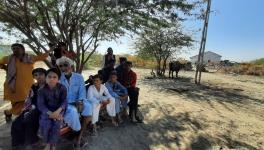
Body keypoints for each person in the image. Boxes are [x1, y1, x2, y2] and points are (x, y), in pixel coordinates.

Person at [0, 43, 50, 122]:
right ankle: (11, 113)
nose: (15, 50)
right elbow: (0, 62)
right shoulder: (8, 58)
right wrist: (5, 68)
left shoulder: (30, 58)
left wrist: (50, 49)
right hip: (13, 87)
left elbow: (42, 56)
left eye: (17, 48)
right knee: (18, 105)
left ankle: (9, 112)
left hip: (28, 86)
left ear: (23, 49)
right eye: (13, 49)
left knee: (27, 102)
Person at [56, 56, 92, 147]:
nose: (63, 68)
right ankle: (78, 137)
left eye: (65, 65)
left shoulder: (79, 77)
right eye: (60, 66)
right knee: (73, 112)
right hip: (66, 103)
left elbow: (82, 91)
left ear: (71, 66)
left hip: (78, 100)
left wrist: (80, 101)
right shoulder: (58, 79)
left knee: (88, 107)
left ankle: (80, 135)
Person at [11, 68, 46, 149]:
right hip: (32, 108)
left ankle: (32, 141)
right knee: (16, 122)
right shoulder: (33, 86)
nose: (38, 77)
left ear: (45, 75)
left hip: (44, 109)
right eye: (36, 75)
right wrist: (27, 108)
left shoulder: (50, 86)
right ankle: (17, 144)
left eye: (41, 74)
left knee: (29, 119)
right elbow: (29, 99)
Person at [38, 68, 67, 150]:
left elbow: (64, 101)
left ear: (58, 79)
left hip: (59, 110)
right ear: (46, 78)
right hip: (47, 111)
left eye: (55, 77)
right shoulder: (41, 90)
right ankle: (47, 144)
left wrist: (57, 112)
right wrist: (50, 113)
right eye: (49, 77)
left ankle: (53, 144)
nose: (52, 79)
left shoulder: (62, 88)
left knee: (57, 124)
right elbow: (41, 105)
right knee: (45, 123)